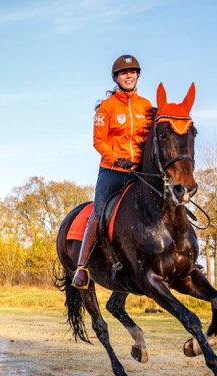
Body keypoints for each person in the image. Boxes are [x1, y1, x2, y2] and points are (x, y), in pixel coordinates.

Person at [72, 54, 155, 289]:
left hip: (141, 172)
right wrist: (117, 159)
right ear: (116, 78)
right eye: (123, 73)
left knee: (167, 201)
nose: (128, 76)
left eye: (132, 72)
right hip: (113, 171)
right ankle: (82, 266)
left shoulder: (146, 106)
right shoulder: (107, 107)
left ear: (137, 76)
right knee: (99, 213)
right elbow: (98, 141)